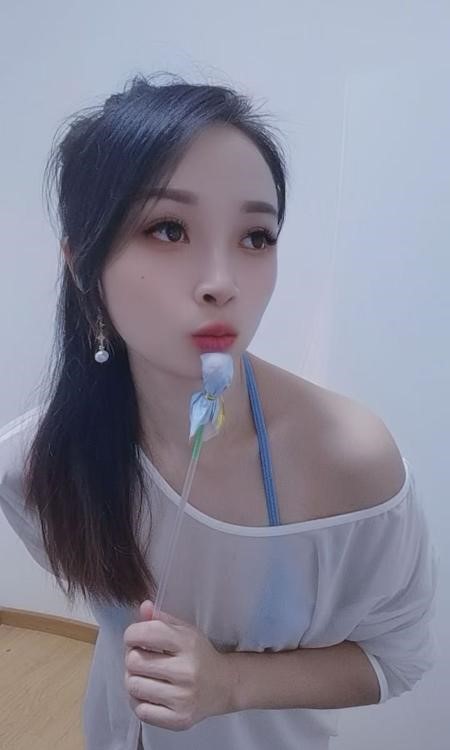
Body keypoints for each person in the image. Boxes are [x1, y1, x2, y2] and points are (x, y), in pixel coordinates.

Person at [0, 72, 439, 750]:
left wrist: (230, 682)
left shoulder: (350, 463)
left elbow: (397, 659)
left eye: (256, 237)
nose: (221, 282)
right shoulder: (36, 463)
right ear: (82, 267)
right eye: (168, 228)